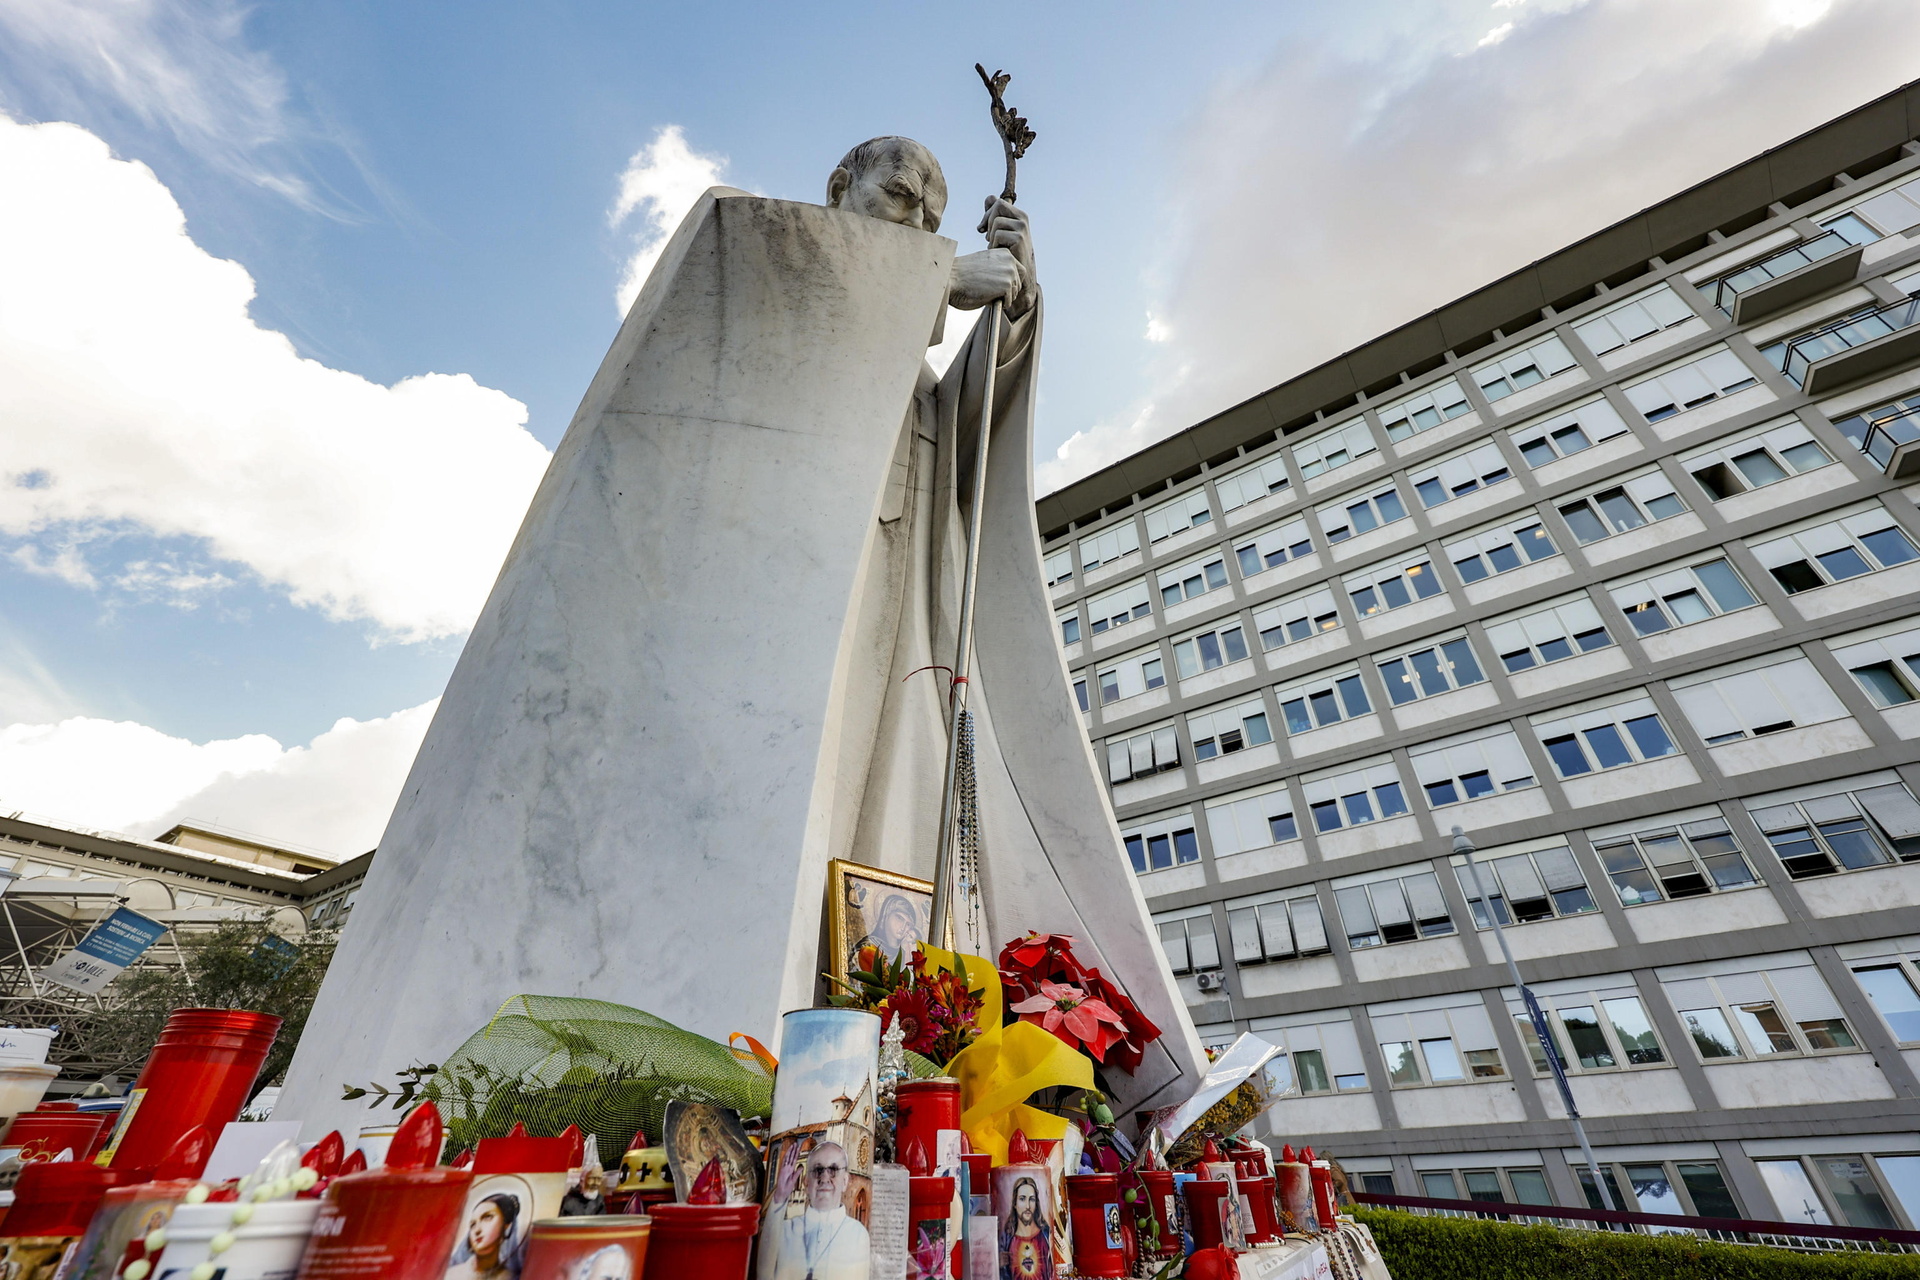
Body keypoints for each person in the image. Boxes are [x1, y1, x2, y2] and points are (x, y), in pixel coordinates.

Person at [765, 1141, 870, 1280]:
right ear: (806, 1182)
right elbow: (763, 1274)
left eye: (833, 1170)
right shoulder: (786, 1230)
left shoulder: (858, 1234)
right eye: (818, 1170)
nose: (824, 1178)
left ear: (845, 1181)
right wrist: (779, 1197)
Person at [446, 1191, 523, 1279]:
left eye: (487, 1217)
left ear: (506, 1224)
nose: (477, 1230)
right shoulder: (452, 1275)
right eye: (473, 1224)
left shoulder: (509, 1276)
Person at [999, 1176, 1053, 1280]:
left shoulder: (1046, 1235)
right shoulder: (1006, 1239)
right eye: (1022, 1199)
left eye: (1032, 1199)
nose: (1027, 1206)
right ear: (1015, 1203)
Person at [857, 891, 924, 965]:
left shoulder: (905, 955)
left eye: (908, 924)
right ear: (886, 915)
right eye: (899, 918)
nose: (903, 927)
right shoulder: (867, 948)